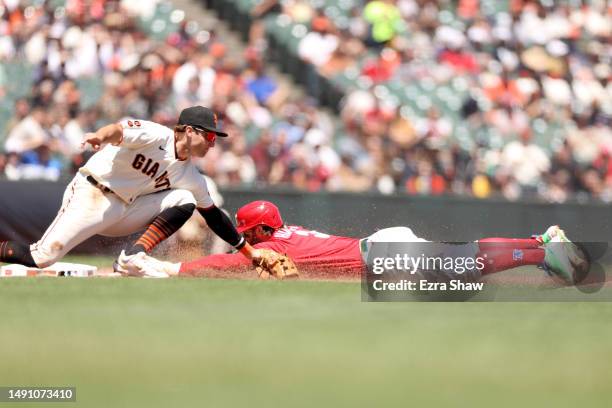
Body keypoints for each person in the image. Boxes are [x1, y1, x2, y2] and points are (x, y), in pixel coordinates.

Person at [0, 106, 266, 273]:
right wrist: (99, 137)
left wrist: (251, 253)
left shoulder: (190, 175)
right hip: (92, 193)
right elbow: (117, 130)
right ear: (187, 131)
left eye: (214, 138)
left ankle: (134, 255)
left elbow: (213, 216)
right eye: (208, 136)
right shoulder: (156, 134)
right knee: (42, 257)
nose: (212, 142)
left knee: (185, 198)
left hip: (127, 209)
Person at [134, 200, 584, 284]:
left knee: (468, 263)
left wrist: (175, 269)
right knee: (466, 255)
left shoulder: (272, 248)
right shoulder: (284, 235)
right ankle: (538, 240)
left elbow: (228, 266)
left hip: (384, 255)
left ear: (260, 232)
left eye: (249, 233)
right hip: (380, 247)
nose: (245, 241)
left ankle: (545, 252)